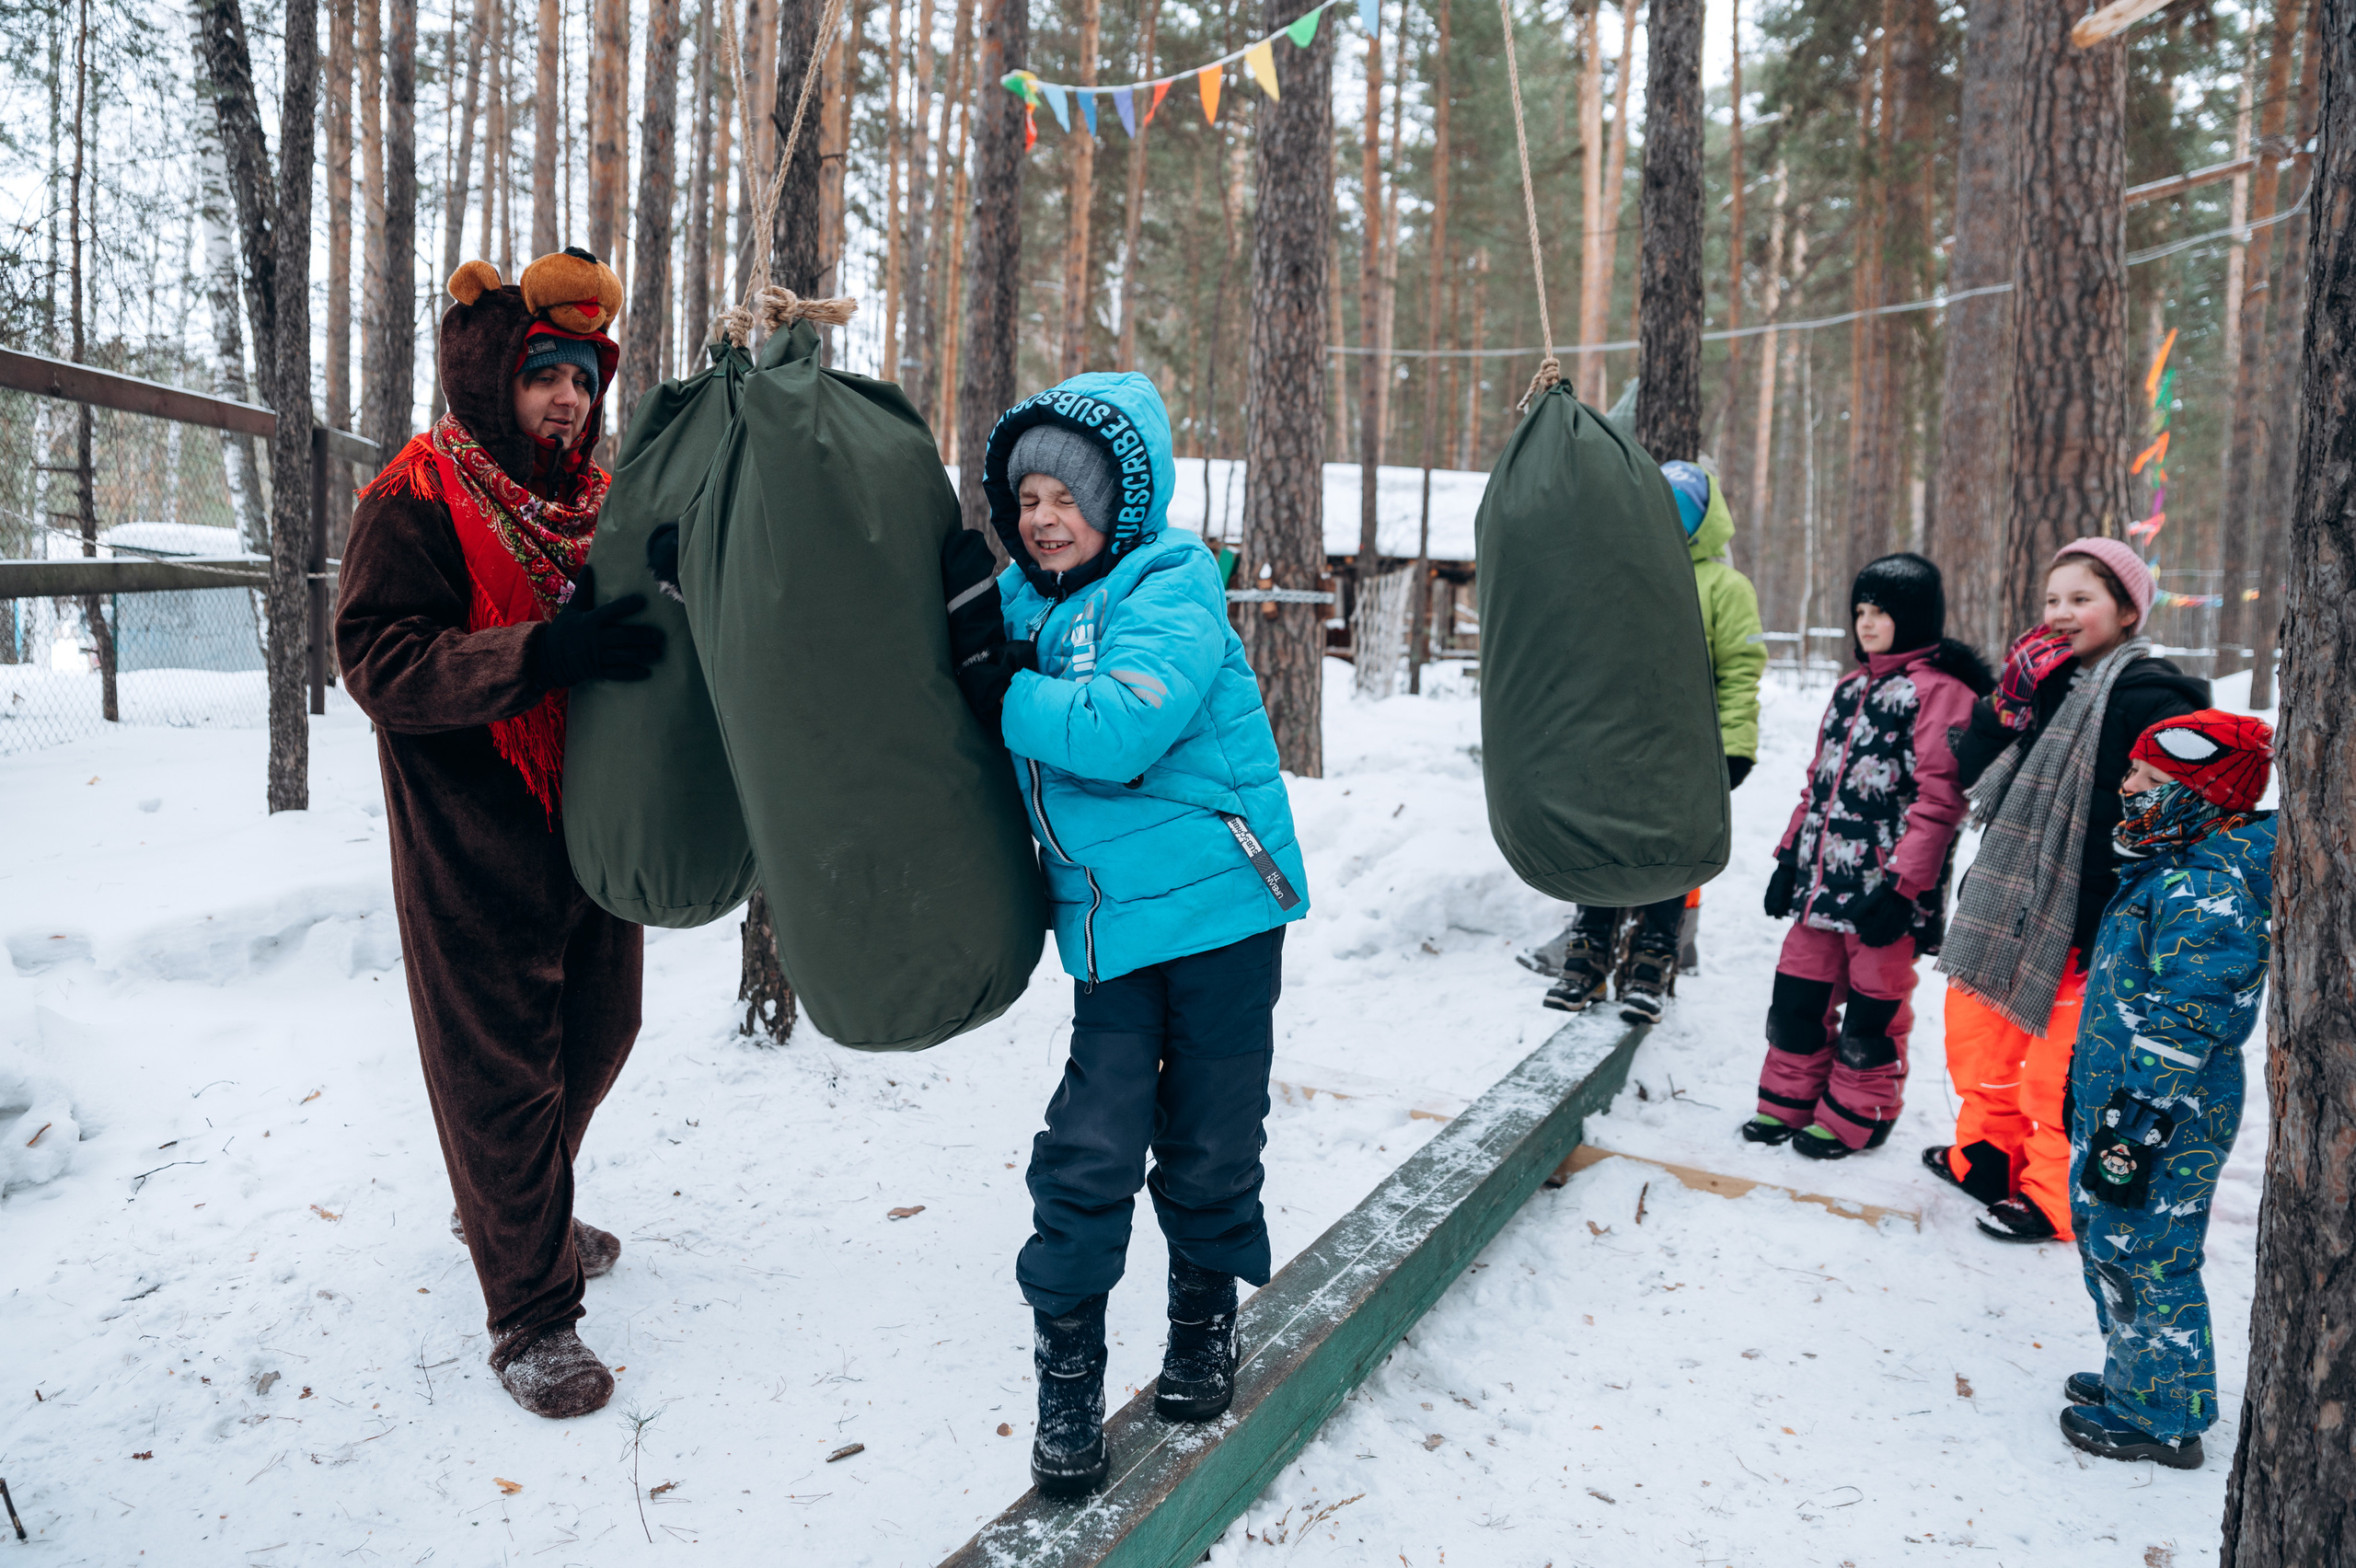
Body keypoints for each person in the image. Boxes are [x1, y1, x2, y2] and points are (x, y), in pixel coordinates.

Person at [948, 373, 1311, 1499]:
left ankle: (1201, 1326)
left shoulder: (1174, 583)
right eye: (1026, 497)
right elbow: (916, 653)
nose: (1042, 515)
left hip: (1218, 913)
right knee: (1089, 1147)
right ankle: (1068, 1379)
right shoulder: (1018, 600)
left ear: (1124, 498)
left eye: (1067, 493)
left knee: (1208, 1136)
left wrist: (1000, 688)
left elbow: (1119, 726)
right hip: (1109, 933)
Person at [338, 250, 664, 1419]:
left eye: (582, 377)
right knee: (499, 1076)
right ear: (494, 379)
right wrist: (542, 653)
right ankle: (530, 1314)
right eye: (543, 377)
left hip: (585, 815)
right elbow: (377, 661)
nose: (568, 399)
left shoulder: (591, 502)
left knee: (604, 1023)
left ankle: (515, 1202)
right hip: (472, 832)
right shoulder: (414, 495)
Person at [1927, 539, 2206, 1243]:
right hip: (2005, 904)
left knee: (2061, 1072)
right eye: (2053, 600)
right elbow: (1973, 773)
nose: (2062, 613)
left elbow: (2167, 813)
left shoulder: (2154, 697)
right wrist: (2006, 702)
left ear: (2126, 610)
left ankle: (2054, 1198)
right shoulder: (2043, 685)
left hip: (2086, 917)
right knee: (1979, 1044)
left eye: (2082, 599)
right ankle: (1986, 1160)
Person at [2060, 710, 2273, 1470]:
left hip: (2168, 1110)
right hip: (2123, 1100)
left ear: (2204, 795)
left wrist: (2138, 1113)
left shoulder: (2210, 883)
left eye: (2150, 781)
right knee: (2109, 1240)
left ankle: (2162, 1417)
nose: (2128, 791)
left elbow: (2191, 1009)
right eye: (2130, 774)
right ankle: (2134, 1377)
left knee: (2149, 1253)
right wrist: (2088, 1094)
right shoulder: (2167, 867)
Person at [1750, 554, 1991, 1159]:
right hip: (1819, 884)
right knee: (1796, 1001)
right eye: (1860, 610)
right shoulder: (1849, 689)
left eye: (1881, 610)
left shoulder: (1943, 694)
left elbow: (1940, 803)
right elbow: (1818, 785)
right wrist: (1787, 859)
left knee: (1870, 1017)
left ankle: (1859, 1113)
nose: (1867, 622)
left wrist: (1904, 889)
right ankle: (1787, 1104)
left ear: (1913, 617)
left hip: (1883, 894)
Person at [1536, 458, 1765, 1022]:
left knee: (1671, 851)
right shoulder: (1622, 574)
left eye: (1680, 513)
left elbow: (1741, 670)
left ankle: (1653, 957)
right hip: (1615, 743)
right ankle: (1588, 951)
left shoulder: (1725, 587)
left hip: (1686, 750)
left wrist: (1736, 746)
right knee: (1604, 842)